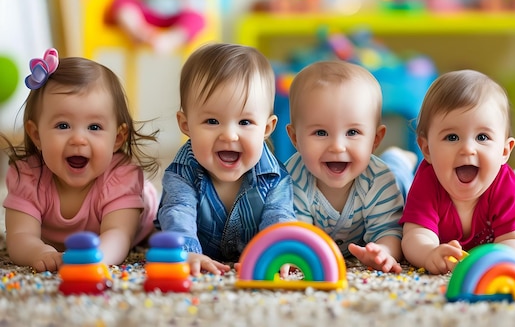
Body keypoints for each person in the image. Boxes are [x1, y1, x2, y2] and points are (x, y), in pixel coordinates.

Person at [2, 48, 160, 273]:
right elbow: (19, 237)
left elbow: (118, 235)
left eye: (94, 127)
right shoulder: (27, 176)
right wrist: (41, 252)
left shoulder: (121, 178)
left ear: (117, 138)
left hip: (139, 214)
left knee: (161, 232)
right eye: (63, 126)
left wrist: (96, 258)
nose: (78, 139)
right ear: (36, 135)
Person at [155, 43, 296, 276]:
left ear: (267, 127)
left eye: (245, 122)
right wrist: (185, 251)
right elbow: (178, 212)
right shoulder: (181, 174)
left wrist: (276, 251)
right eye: (212, 121)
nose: (229, 135)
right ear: (185, 124)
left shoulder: (275, 179)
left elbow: (279, 218)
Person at [400, 69, 515, 274]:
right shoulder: (428, 179)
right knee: (397, 181)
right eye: (452, 137)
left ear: (505, 151)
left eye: (482, 137)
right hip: (403, 183)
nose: (468, 149)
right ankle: (398, 160)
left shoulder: (506, 183)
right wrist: (429, 253)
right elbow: (414, 235)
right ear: (426, 149)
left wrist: (500, 260)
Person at [285, 60, 404, 274]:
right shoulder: (291, 178)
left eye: (352, 133)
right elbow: (296, 232)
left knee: (399, 174)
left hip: (393, 179)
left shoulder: (380, 179)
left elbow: (390, 230)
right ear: (295, 138)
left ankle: (398, 159)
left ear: (375, 140)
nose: (337, 147)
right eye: (321, 133)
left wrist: (384, 251)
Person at [105, 0, 207, 54]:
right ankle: (138, 33)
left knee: (196, 19)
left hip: (173, 21)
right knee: (123, 0)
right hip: (145, 17)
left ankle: (169, 41)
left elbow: (195, 12)